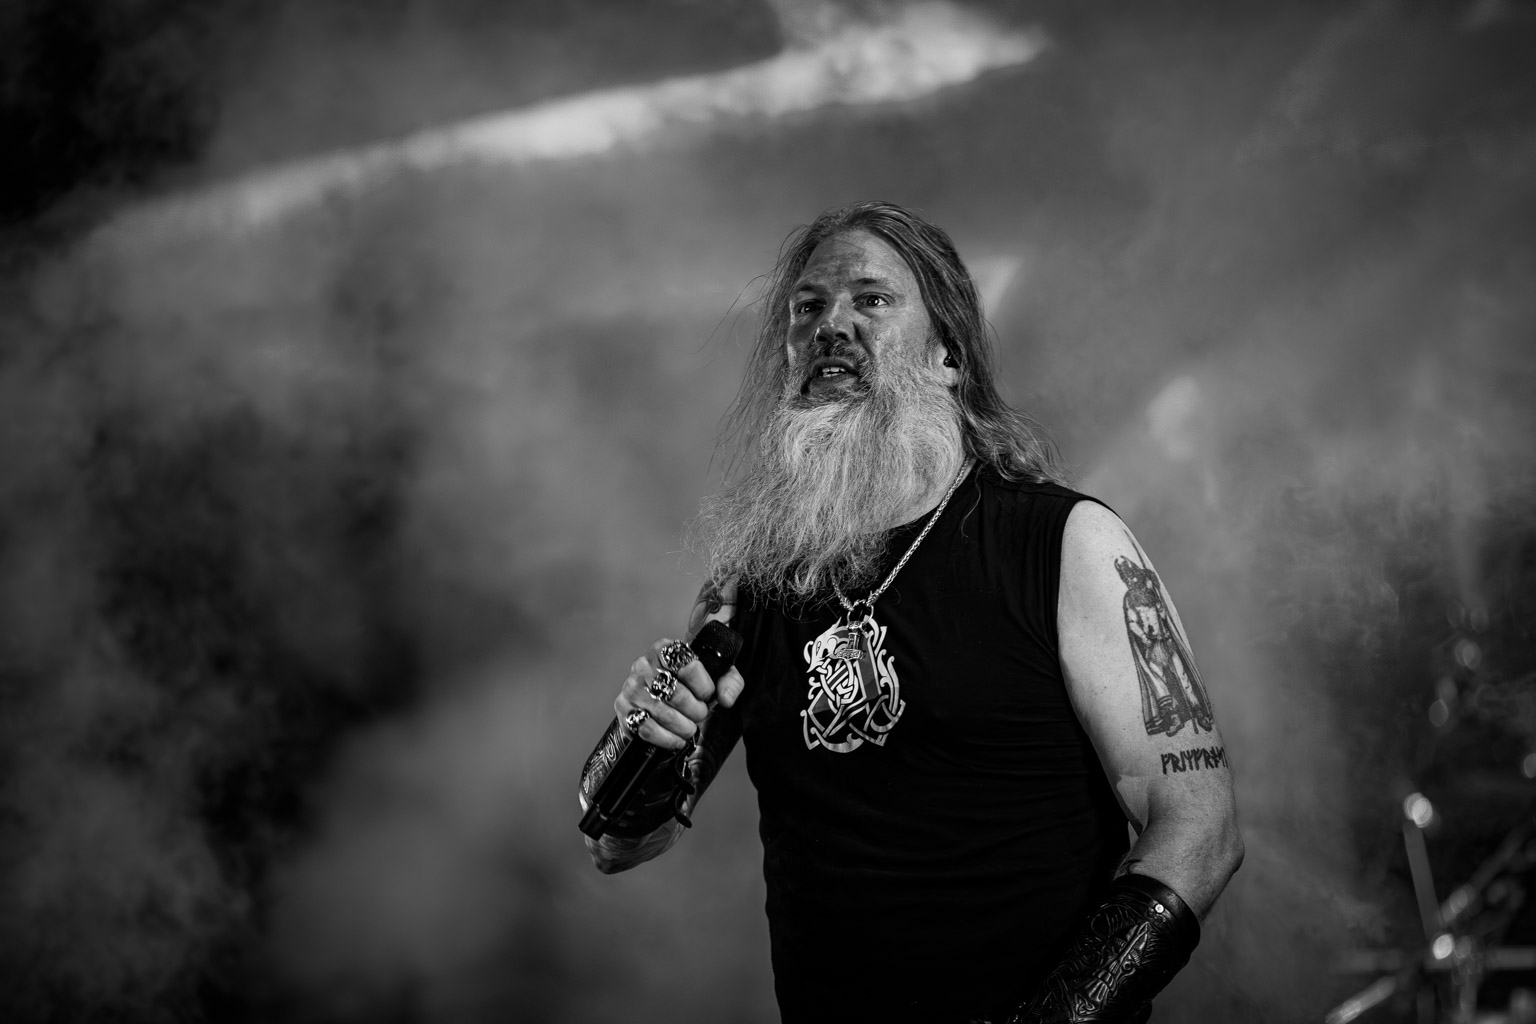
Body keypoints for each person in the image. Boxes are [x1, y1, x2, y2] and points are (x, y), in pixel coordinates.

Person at [578, 200, 1243, 1023]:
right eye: (808, 308)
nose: (830, 326)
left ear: (947, 353)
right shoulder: (753, 585)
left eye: (871, 299)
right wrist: (645, 739)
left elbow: (1201, 827)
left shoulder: (1065, 544)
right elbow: (617, 844)